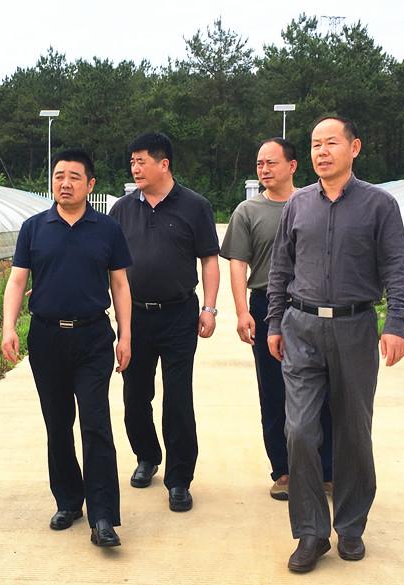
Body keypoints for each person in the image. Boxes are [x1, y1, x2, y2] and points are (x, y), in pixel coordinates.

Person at [266, 116, 404, 572]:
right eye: (315, 144)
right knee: (299, 431)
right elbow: (281, 268)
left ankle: (350, 525)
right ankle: (311, 532)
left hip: (355, 327)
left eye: (331, 143)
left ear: (355, 147)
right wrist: (274, 322)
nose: (322, 151)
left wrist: (396, 322)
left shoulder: (379, 205)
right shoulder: (298, 204)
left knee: (352, 431)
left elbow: (396, 267)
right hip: (301, 326)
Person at [1, 148, 132, 547]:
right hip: (47, 338)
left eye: (74, 177)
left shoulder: (106, 229)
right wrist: (8, 328)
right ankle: (69, 501)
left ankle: (103, 515)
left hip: (93, 337)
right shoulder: (34, 228)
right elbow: (17, 281)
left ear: (90, 184)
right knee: (57, 424)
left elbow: (120, 284)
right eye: (59, 176)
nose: (65, 183)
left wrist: (126, 334)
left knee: (95, 423)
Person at [109, 132, 220, 512]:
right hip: (135, 315)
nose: (135, 168)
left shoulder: (195, 206)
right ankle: (147, 456)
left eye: (141, 161)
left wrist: (210, 308)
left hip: (179, 315)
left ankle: (179, 479)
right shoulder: (122, 209)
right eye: (132, 162)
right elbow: (107, 264)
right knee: (135, 395)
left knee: (178, 398)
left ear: (164, 164)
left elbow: (209, 259)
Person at [220, 138, 333, 501]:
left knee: (322, 389)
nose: (264, 169)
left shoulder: (315, 203)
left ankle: (326, 470)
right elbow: (238, 264)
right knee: (274, 390)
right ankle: (283, 470)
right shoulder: (247, 211)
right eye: (259, 164)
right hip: (266, 303)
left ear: (292, 166)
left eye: (271, 163)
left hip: (312, 306)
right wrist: (242, 312)